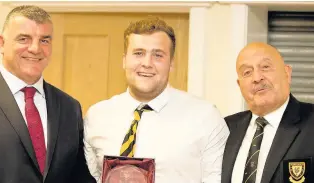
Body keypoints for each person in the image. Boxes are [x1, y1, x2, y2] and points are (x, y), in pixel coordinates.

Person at [0, 5, 95, 183]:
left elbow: (78, 177)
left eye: (45, 40)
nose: (35, 49)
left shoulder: (69, 107)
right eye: (24, 39)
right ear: (1, 43)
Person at [84, 17, 229, 183]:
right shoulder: (97, 116)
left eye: (158, 55)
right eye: (138, 53)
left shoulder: (205, 117)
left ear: (171, 64)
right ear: (124, 60)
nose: (147, 63)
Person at [222, 42, 314, 183]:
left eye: (265, 67)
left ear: (287, 73)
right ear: (240, 85)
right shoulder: (226, 128)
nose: (257, 78)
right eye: (247, 72)